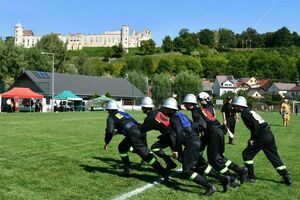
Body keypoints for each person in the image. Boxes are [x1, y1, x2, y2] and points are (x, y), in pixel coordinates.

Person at [162, 97, 216, 196]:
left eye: (165, 109)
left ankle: (209, 186)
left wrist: (176, 150)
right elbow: (194, 126)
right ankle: (225, 179)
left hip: (191, 144)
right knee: (201, 165)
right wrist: (194, 136)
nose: (164, 111)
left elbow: (178, 134)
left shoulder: (174, 119)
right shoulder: (181, 114)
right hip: (196, 141)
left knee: (186, 171)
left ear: (170, 109)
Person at [104, 100, 170, 180]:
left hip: (133, 135)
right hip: (139, 130)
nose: (107, 111)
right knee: (122, 147)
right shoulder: (123, 113)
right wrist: (119, 132)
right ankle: (127, 169)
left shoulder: (111, 117)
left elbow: (109, 131)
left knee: (145, 155)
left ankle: (163, 172)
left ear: (109, 109)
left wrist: (107, 142)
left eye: (107, 109)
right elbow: (129, 124)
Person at [233, 96, 292, 185]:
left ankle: (251, 176)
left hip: (262, 135)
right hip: (269, 134)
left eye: (236, 105)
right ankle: (286, 176)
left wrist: (252, 139)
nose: (235, 107)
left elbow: (255, 126)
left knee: (247, 154)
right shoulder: (250, 111)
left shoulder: (245, 113)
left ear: (241, 106)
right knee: (274, 156)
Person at [183, 94, 231, 192]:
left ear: (190, 104)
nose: (184, 105)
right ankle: (202, 171)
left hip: (214, 132)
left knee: (214, 159)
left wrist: (191, 128)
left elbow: (202, 125)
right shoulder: (202, 109)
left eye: (185, 104)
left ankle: (229, 178)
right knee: (207, 155)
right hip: (216, 131)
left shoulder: (196, 112)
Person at [197, 92, 248, 185]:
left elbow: (204, 123)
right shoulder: (209, 107)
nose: (200, 102)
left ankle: (231, 178)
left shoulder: (204, 109)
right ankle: (239, 171)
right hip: (214, 132)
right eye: (200, 101)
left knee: (215, 159)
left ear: (205, 99)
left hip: (213, 132)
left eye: (201, 100)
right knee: (218, 157)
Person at [139, 97, 177, 170]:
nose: (141, 109)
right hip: (169, 134)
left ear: (146, 108)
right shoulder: (157, 111)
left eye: (143, 107)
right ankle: (170, 163)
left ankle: (195, 168)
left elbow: (141, 130)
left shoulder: (150, 118)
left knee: (178, 155)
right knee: (155, 147)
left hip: (171, 136)